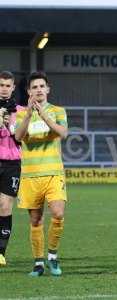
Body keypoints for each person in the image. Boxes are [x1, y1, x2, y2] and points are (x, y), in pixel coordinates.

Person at [15, 71, 68, 277]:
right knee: (35, 221)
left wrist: (43, 114)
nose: (38, 90)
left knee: (58, 214)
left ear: (48, 89)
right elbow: (19, 136)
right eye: (34, 87)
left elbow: (62, 133)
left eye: (41, 86)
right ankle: (38, 262)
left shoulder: (58, 111)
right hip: (30, 175)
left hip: (53, 173)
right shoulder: (21, 114)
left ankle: (52, 256)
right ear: (29, 92)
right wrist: (29, 114)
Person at [0, 71, 23, 266]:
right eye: (1, 85)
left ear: (13, 87)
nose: (4, 89)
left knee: (5, 206)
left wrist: (11, 126)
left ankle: (1, 252)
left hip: (11, 164)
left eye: (8, 85)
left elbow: (23, 139)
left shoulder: (21, 111)